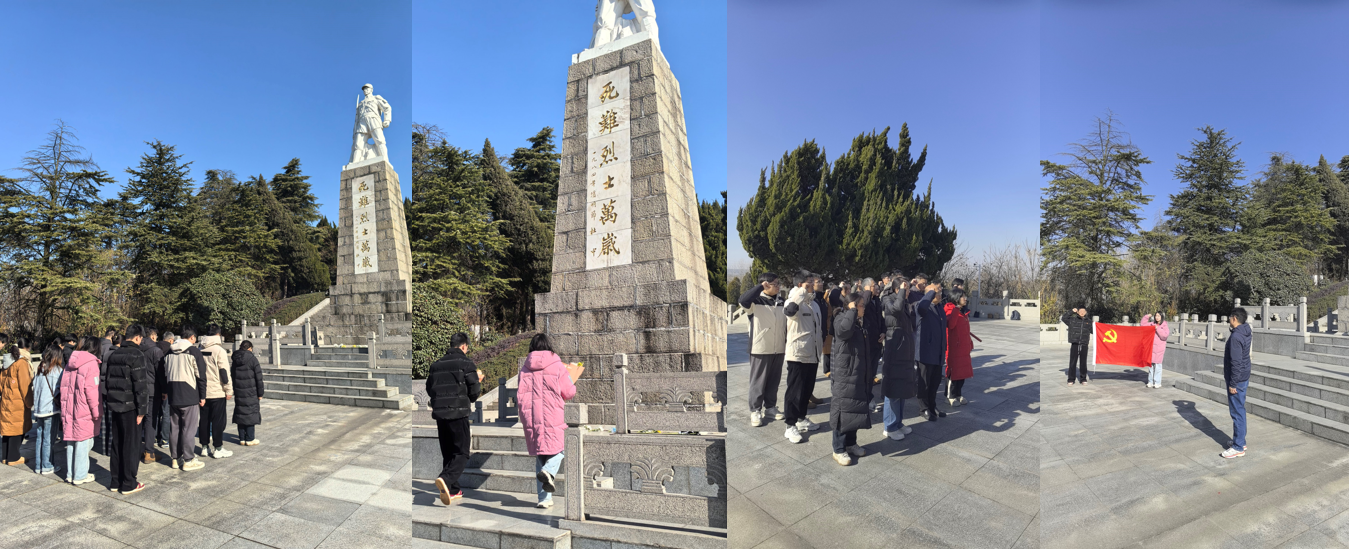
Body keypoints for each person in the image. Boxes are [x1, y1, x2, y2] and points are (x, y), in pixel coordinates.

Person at [518, 333, 583, 509]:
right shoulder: (557, 365)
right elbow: (569, 392)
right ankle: (549, 471)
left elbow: (521, 394)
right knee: (561, 447)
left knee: (541, 454)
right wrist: (571, 378)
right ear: (548, 346)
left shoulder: (525, 368)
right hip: (552, 413)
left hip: (531, 416)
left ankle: (544, 499)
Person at [428, 333, 484, 505]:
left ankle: (453, 489)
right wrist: (478, 380)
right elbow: (474, 391)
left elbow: (430, 389)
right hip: (458, 414)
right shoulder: (466, 363)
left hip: (441, 415)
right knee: (461, 453)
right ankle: (446, 479)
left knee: (448, 453)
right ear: (464, 346)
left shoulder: (436, 365)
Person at [104, 326, 150, 494]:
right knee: (131, 444)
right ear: (137, 338)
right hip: (130, 407)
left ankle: (115, 481)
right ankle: (129, 483)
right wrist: (142, 410)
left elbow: (108, 381)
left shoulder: (114, 354)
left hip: (116, 405)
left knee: (117, 443)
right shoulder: (137, 355)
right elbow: (141, 385)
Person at [829, 292, 872, 465]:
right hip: (845, 373)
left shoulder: (860, 322)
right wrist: (852, 311)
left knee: (854, 408)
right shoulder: (841, 318)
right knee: (843, 409)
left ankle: (851, 443)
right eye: (860, 305)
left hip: (858, 371)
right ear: (852, 305)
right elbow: (843, 331)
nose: (863, 308)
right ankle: (838, 449)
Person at [739, 272, 787, 427]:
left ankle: (771, 407)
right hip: (760, 347)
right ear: (765, 285)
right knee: (758, 381)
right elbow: (742, 300)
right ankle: (755, 410)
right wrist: (759, 287)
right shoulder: (755, 301)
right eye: (775, 284)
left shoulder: (781, 302)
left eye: (778, 283)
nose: (778, 286)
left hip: (778, 347)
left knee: (774, 381)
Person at [782, 271, 823, 443]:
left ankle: (801, 418)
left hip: (813, 353)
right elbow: (789, 311)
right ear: (800, 285)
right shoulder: (793, 301)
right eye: (809, 282)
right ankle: (790, 426)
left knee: (807, 389)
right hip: (798, 354)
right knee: (795, 391)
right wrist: (800, 292)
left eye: (813, 281)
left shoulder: (814, 304)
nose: (813, 285)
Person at [880, 276, 919, 440]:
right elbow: (895, 310)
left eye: (908, 288)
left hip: (905, 350)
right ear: (897, 289)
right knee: (893, 389)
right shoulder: (888, 299)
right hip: (895, 350)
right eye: (905, 288)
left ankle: (898, 422)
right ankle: (889, 426)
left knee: (902, 388)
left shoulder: (905, 302)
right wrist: (902, 291)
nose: (908, 291)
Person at [161, 333, 206, 471]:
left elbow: (163, 373)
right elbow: (201, 375)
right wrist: (203, 396)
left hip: (173, 394)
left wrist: (165, 391)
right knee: (189, 428)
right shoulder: (194, 352)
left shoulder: (168, 352)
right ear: (192, 337)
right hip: (189, 394)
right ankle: (188, 459)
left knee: (174, 428)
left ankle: (175, 458)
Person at [62, 337, 102, 484]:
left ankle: (70, 473)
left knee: (72, 441)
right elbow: (92, 391)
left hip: (69, 408)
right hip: (84, 409)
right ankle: (80, 475)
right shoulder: (91, 364)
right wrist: (97, 412)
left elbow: (63, 387)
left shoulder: (70, 362)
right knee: (84, 442)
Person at [197, 325, 233, 459]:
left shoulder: (199, 349)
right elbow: (224, 372)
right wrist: (228, 389)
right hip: (217, 391)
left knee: (204, 420)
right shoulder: (219, 350)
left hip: (202, 391)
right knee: (218, 421)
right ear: (218, 335)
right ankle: (218, 448)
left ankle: (204, 447)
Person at [915, 282, 948, 421]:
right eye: (935, 293)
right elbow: (922, 307)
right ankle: (923, 408)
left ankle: (932, 406)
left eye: (939, 292)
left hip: (938, 351)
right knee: (924, 382)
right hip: (925, 352)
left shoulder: (939, 307)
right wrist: (931, 292)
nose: (939, 295)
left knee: (935, 382)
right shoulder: (922, 306)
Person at [1222, 307, 1252, 459]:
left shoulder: (1236, 337)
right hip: (1243, 376)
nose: (1229, 319)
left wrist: (1233, 383)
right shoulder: (1245, 331)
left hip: (1237, 379)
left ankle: (1238, 447)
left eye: (1230, 317)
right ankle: (1240, 441)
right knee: (1240, 410)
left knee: (1237, 412)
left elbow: (1236, 362)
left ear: (1234, 318)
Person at [944, 290, 982, 407]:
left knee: (962, 372)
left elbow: (966, 330)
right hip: (954, 347)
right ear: (956, 298)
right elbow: (951, 325)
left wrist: (969, 343)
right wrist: (956, 309)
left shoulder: (963, 311)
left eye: (965, 296)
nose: (965, 299)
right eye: (962, 297)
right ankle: (949, 396)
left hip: (963, 347)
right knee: (953, 372)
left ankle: (958, 394)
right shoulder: (949, 309)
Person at [31, 342, 64, 475]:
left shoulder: (40, 368)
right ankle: (47, 465)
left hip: (39, 409)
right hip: (51, 408)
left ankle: (39, 465)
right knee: (49, 439)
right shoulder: (57, 371)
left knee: (40, 438)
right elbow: (60, 389)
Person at [0, 337, 33, 466]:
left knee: (7, 428)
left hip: (6, 399)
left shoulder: (8, 361)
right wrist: (29, 402)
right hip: (18, 401)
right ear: (27, 348)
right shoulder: (21, 362)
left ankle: (5, 456)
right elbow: (25, 385)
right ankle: (14, 457)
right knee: (17, 429)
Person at [138, 327, 165, 464]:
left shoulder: (137, 349)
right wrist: (165, 390)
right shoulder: (156, 351)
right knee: (150, 420)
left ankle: (138, 449)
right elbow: (161, 373)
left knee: (139, 420)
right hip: (152, 390)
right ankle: (149, 452)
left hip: (138, 389)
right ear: (153, 337)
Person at [231, 340, 264, 446]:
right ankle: (250, 438)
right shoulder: (252, 359)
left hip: (239, 390)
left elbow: (232, 375)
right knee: (250, 413)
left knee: (240, 413)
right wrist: (260, 393)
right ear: (250, 348)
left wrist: (234, 389)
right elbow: (259, 378)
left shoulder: (235, 359)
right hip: (251, 391)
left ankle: (242, 438)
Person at [1062, 306, 1093, 384]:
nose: (1082, 313)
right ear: (1078, 312)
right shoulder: (1072, 320)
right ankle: (1071, 379)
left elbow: (1095, 331)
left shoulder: (1089, 322)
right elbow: (1064, 318)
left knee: (1083, 362)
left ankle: (1083, 379)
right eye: (1080, 311)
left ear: (1086, 312)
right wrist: (1071, 311)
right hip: (1075, 343)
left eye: (1083, 311)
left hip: (1084, 344)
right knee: (1073, 362)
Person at [1140, 313, 1171, 388]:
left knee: (1157, 366)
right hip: (1151, 348)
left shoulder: (1164, 325)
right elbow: (1142, 325)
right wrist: (1147, 317)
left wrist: (1158, 328)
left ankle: (1157, 382)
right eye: (1156, 316)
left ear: (1161, 317)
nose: (1157, 317)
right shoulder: (1152, 324)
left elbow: (1165, 336)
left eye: (1158, 316)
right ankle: (1150, 381)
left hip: (1159, 348)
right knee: (1150, 366)